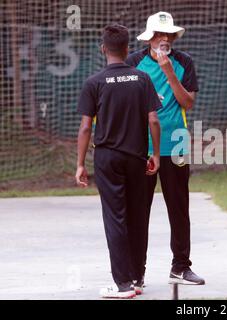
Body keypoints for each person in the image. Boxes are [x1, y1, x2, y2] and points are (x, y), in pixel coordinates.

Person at [75, 24, 161, 298]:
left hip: (107, 158)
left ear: (104, 49)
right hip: (136, 157)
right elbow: (153, 119)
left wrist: (80, 164)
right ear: (127, 49)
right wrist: (156, 154)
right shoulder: (143, 78)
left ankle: (122, 285)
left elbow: (86, 128)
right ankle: (136, 278)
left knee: (116, 219)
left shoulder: (94, 83)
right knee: (138, 216)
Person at [126, 12, 204, 286]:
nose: (164, 39)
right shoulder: (134, 63)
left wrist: (169, 72)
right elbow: (127, 103)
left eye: (168, 35)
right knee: (138, 209)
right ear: (149, 37)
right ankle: (136, 272)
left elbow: (188, 103)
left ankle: (180, 267)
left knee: (179, 207)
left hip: (177, 144)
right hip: (141, 147)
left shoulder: (183, 62)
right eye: (159, 35)